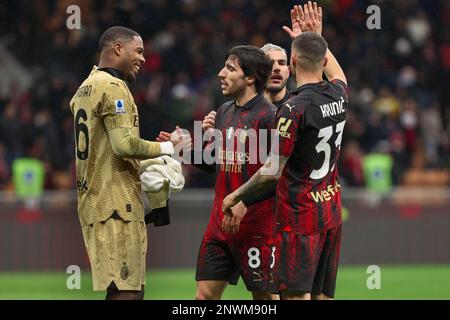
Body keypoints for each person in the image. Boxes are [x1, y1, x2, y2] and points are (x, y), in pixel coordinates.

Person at [223, 2, 348, 300]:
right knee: (322, 297)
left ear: (291, 62)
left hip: (300, 217)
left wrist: (236, 194)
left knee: (293, 297)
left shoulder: (293, 109)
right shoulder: (340, 93)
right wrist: (315, 37)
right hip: (331, 211)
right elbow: (336, 70)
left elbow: (271, 172)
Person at [70, 26, 180, 300]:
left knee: (121, 287)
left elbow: (107, 149)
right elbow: (124, 145)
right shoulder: (114, 87)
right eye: (139, 51)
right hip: (115, 204)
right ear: (118, 48)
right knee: (129, 291)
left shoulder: (85, 87)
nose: (143, 59)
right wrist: (168, 148)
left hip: (94, 201)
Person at [159, 45, 278, 300]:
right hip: (219, 227)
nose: (221, 73)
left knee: (265, 299)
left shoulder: (270, 117)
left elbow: (277, 175)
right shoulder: (223, 111)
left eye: (230, 68)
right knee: (203, 297)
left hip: (257, 227)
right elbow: (215, 162)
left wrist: (244, 200)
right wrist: (183, 151)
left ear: (250, 78)